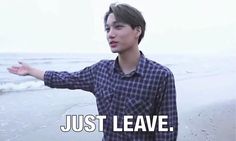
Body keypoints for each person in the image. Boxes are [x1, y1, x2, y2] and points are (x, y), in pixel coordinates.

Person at [8, 3, 178, 141]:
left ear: (137, 31)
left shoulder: (160, 76)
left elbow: (167, 129)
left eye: (118, 27)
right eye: (107, 29)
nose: (110, 34)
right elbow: (65, 79)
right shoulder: (100, 71)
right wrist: (31, 71)